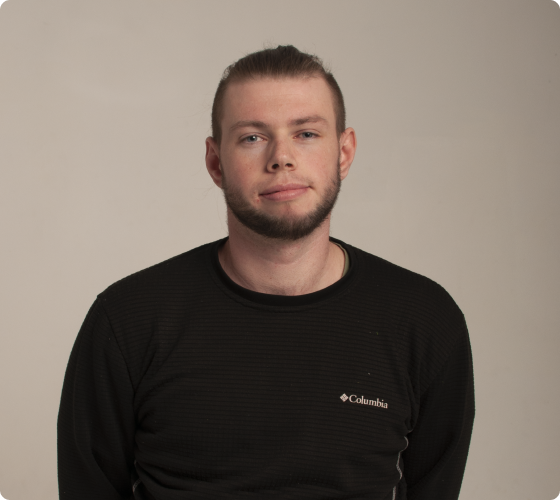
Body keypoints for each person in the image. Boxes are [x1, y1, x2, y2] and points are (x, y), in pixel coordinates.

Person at [58, 45, 474, 500]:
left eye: (307, 133)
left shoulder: (425, 322)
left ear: (344, 152)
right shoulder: (127, 322)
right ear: (216, 162)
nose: (282, 158)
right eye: (253, 137)